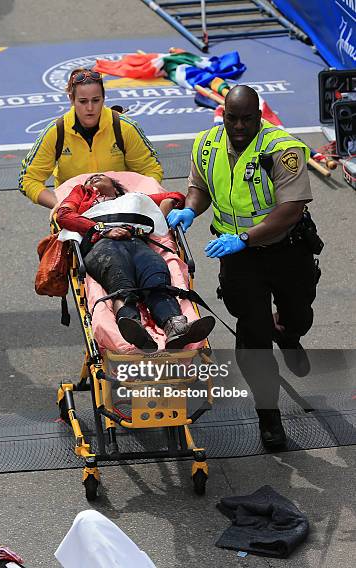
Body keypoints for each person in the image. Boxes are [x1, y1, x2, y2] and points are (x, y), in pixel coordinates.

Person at [167, 85, 319, 448]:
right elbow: (200, 186)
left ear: (259, 117)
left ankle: (290, 334)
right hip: (238, 258)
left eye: (246, 119)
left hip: (286, 249)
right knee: (253, 333)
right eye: (231, 117)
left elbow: (290, 210)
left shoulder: (283, 150)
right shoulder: (206, 144)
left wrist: (247, 237)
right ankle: (269, 416)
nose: (237, 126)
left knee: (297, 313)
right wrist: (190, 207)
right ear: (223, 113)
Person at [56, 174, 215, 350]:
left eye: (100, 176)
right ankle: (133, 325)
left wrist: (163, 211)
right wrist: (102, 230)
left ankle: (175, 328)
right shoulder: (81, 194)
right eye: (89, 180)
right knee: (121, 281)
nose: (93, 178)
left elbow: (176, 196)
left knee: (156, 277)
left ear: (116, 187)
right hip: (102, 245)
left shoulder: (134, 199)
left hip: (138, 242)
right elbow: (63, 215)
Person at [18, 68, 164, 208]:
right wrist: (60, 205)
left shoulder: (126, 128)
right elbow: (28, 179)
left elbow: (151, 171)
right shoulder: (56, 132)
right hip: (74, 210)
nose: (89, 108)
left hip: (122, 206)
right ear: (71, 99)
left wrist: (134, 201)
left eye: (96, 100)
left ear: (103, 98)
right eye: (83, 101)